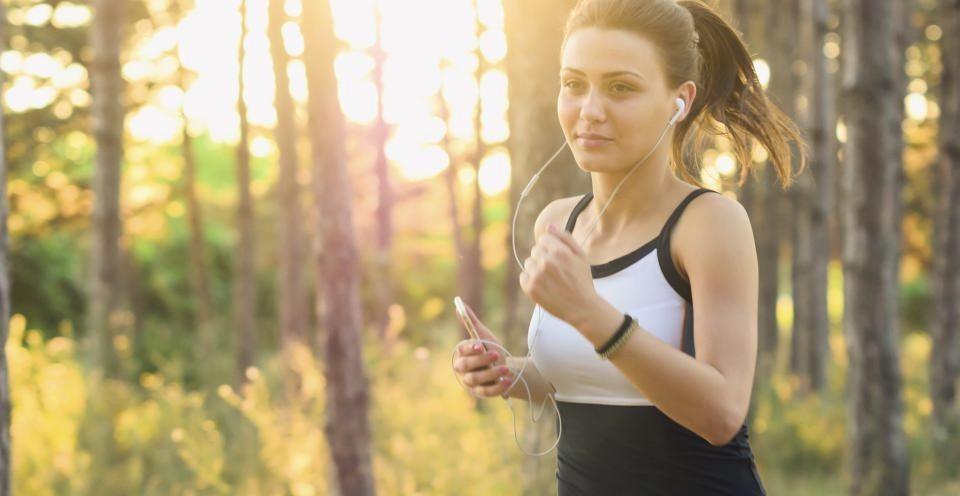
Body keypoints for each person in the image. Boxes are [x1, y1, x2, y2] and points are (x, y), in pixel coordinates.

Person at [452, 0, 807, 493]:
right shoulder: (559, 222)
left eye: (621, 87)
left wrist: (591, 314)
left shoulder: (708, 224)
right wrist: (507, 373)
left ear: (678, 100)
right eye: (574, 84)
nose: (590, 111)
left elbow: (722, 412)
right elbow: (589, 381)